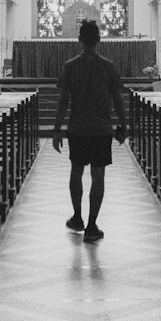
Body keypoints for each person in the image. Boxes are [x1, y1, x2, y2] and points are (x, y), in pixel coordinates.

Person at [52, 19, 127, 243]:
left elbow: (63, 101)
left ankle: (77, 217)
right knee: (98, 176)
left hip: (78, 128)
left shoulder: (70, 66)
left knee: (76, 172)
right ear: (99, 40)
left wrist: (57, 129)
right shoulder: (109, 66)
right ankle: (92, 224)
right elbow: (118, 99)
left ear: (79, 40)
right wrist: (124, 124)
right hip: (102, 129)